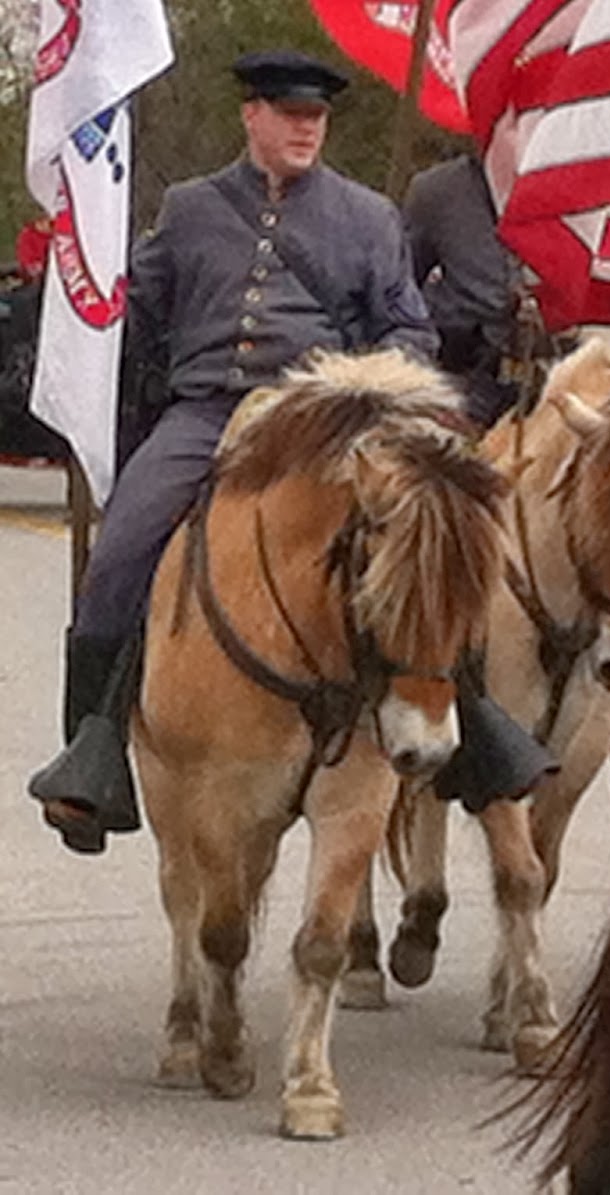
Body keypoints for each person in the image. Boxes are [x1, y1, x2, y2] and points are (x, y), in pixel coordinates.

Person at [28, 50, 445, 855]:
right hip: (207, 414)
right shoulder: (190, 208)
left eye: (315, 117)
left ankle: (475, 718)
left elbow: (411, 330)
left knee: (425, 541)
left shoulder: (367, 217)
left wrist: (364, 379)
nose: (305, 128)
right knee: (118, 555)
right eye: (289, 114)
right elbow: (134, 314)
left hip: (317, 419)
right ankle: (93, 751)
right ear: (251, 116)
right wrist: (77, 306)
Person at [403, 152, 533, 428]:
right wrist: (426, 392)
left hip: (545, 396)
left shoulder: (578, 192)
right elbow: (399, 301)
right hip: (456, 385)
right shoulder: (437, 192)